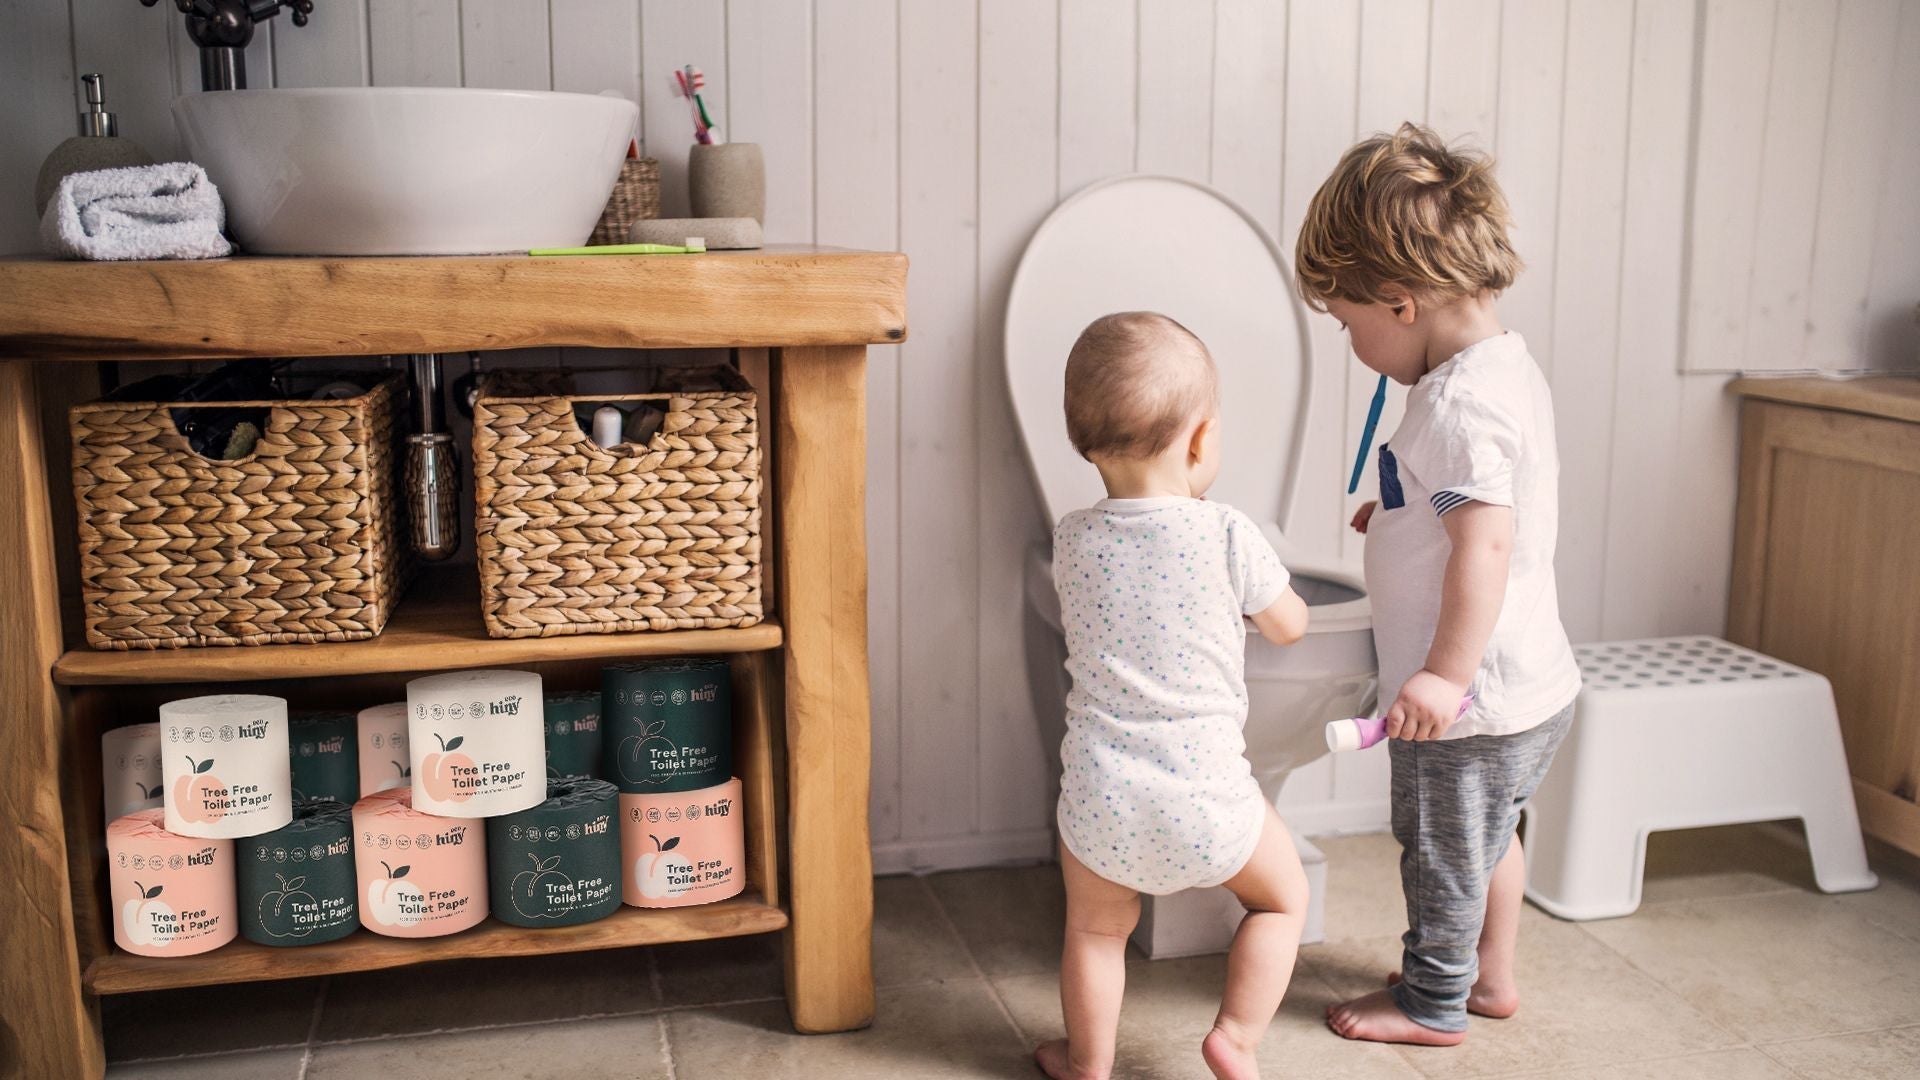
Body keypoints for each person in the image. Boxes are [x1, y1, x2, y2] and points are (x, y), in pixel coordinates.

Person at [1294, 122, 1581, 1045]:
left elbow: (1484, 547)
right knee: (1489, 838)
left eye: (1348, 324)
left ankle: (1433, 1002)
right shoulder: (1497, 368)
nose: (1352, 342)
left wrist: (1442, 676)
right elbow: (1488, 508)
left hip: (1471, 698)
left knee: (1444, 853)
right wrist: (1403, 511)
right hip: (1530, 684)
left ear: (1400, 302)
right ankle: (1489, 976)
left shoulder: (1457, 405)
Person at [1037, 311, 1312, 1080]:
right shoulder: (1227, 533)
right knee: (1281, 900)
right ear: (1199, 441)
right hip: (1208, 796)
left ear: (1084, 444)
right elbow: (1289, 626)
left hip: (1103, 800)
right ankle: (1236, 1037)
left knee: (1094, 934)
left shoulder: (1073, 539)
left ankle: (1088, 1065)